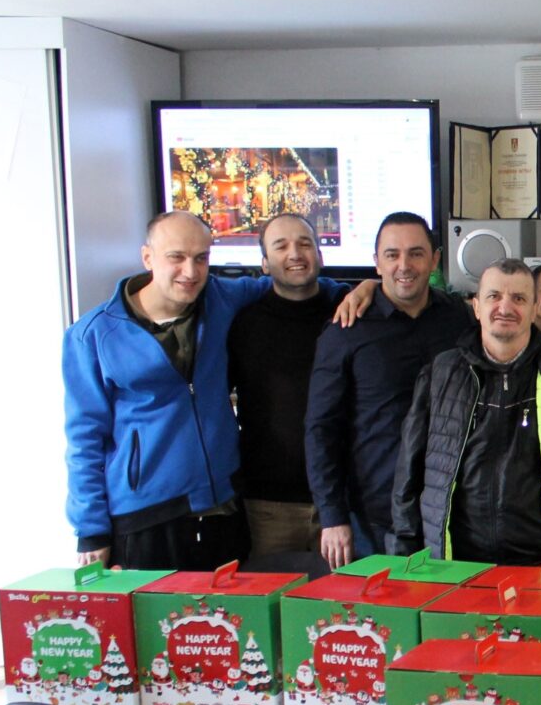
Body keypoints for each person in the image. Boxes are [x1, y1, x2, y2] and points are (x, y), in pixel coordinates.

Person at [63, 210, 341, 569]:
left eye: (201, 258)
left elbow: (292, 283)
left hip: (221, 510)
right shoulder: (93, 336)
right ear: (147, 257)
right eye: (176, 257)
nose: (190, 271)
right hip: (145, 519)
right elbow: (84, 439)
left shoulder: (220, 298)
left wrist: (361, 290)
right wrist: (91, 532)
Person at [388, 258, 541, 566]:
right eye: (494, 296)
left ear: (534, 309)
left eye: (518, 298)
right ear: (476, 307)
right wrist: (404, 558)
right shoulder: (439, 375)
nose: (505, 307)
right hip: (454, 566)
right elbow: (408, 479)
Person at [305, 212, 472, 568]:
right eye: (392, 255)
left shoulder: (458, 318)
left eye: (416, 253)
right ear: (376, 262)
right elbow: (321, 429)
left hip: (450, 510)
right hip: (373, 517)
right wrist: (332, 517)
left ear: (434, 260)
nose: (404, 265)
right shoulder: (346, 329)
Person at [229, 213, 344, 558]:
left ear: (320, 256)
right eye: (281, 246)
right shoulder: (244, 324)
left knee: (344, 594)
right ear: (265, 264)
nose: (295, 254)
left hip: (342, 502)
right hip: (268, 504)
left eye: (304, 244)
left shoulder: (348, 314)